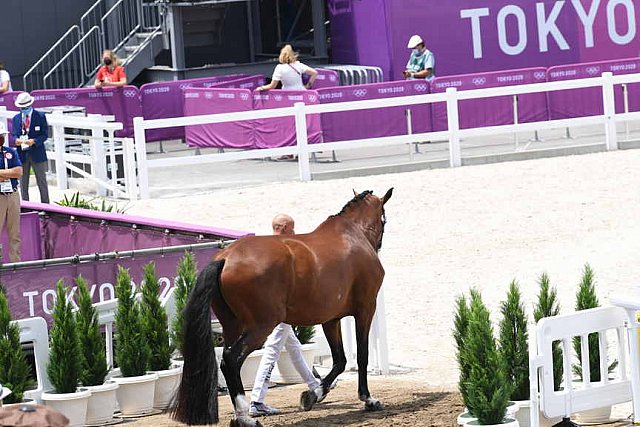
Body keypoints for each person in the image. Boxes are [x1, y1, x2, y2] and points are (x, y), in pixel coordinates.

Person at [249, 213, 322, 417]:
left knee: (293, 346)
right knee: (272, 349)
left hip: (276, 305)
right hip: (282, 307)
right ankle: (257, 400)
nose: (295, 232)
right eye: (292, 228)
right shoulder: (283, 248)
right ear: (282, 228)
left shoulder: (267, 247)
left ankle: (314, 385)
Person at [11, 92, 49, 204]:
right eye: (22, 107)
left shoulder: (40, 116)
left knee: (41, 181)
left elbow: (45, 135)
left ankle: (46, 206)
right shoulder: (16, 118)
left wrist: (34, 141)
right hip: (22, 153)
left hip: (37, 153)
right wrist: (16, 141)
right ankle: (25, 205)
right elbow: (14, 135)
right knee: (23, 182)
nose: (24, 109)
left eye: (25, 107)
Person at [0, 122, 22, 262]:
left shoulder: (11, 152)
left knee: (15, 233)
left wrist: (2, 174)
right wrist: (9, 173)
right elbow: (13, 172)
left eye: (2, 136)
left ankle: (16, 264)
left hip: (13, 194)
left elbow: (18, 171)